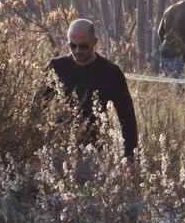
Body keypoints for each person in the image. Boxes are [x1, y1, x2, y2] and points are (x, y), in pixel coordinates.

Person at [41, 18, 138, 159]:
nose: (77, 50)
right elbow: (37, 106)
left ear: (95, 42)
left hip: (95, 151)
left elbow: (127, 117)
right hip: (59, 147)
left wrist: (129, 157)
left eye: (83, 46)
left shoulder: (111, 72)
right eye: (72, 45)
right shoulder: (56, 67)